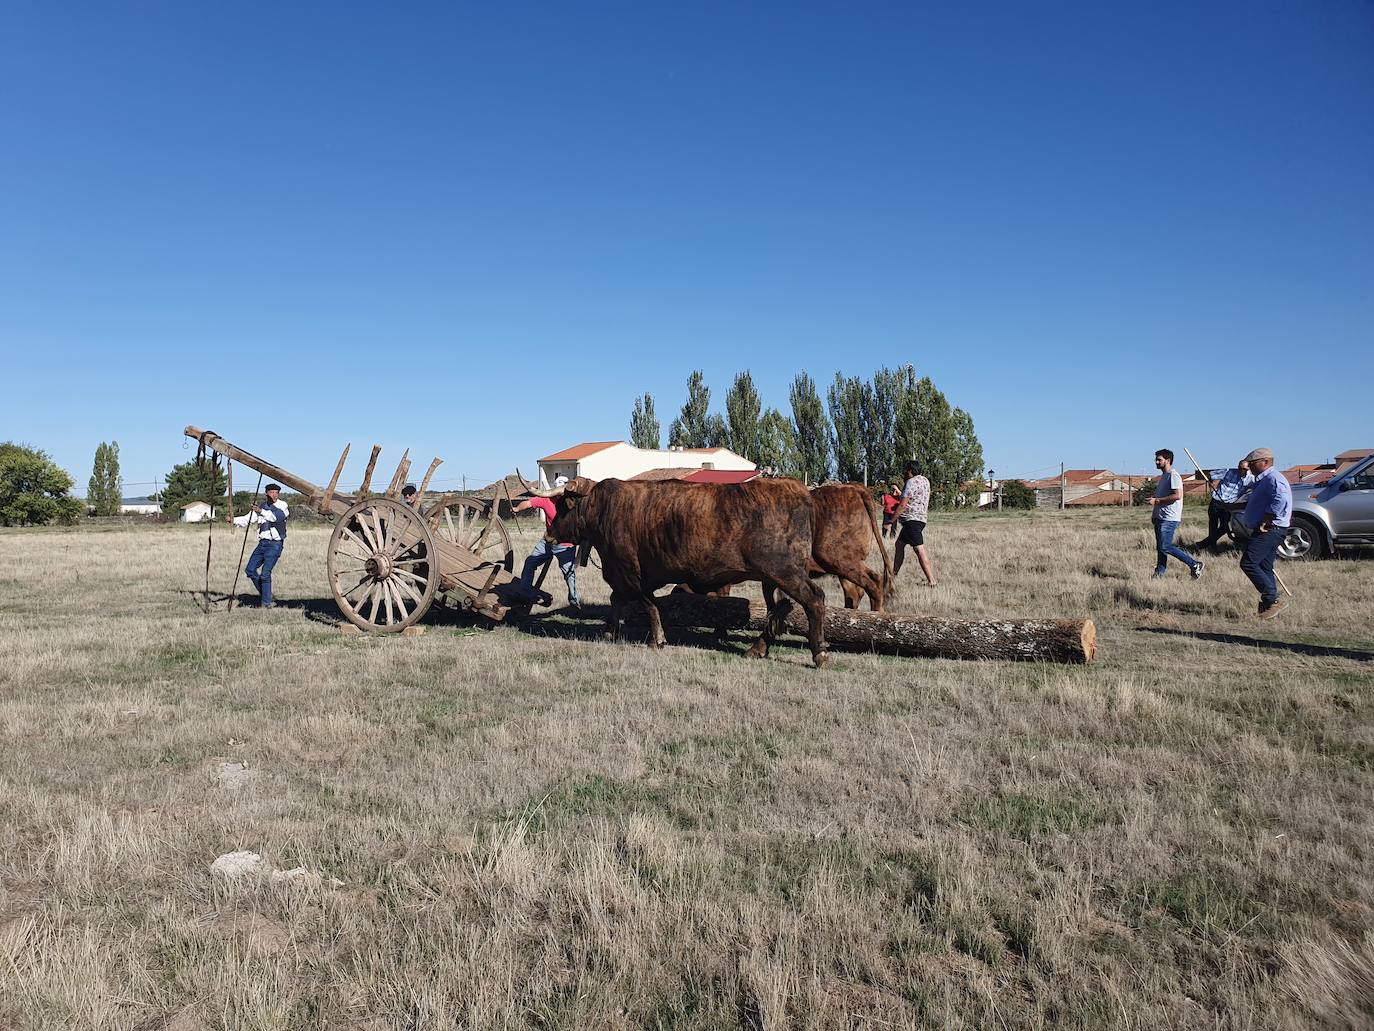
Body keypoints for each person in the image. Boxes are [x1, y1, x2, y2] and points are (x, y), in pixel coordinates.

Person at [1237, 447, 1292, 619]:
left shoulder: (1273, 479)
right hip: (1269, 528)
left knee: (1248, 562)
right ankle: (1270, 607)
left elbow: (1280, 499)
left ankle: (1272, 598)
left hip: (1270, 528)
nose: (1249, 466)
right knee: (1264, 566)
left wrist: (1267, 519)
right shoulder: (1263, 479)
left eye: (1252, 463)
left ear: (1265, 462)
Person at [512, 475, 580, 610]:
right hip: (547, 542)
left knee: (569, 573)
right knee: (530, 562)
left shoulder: (573, 504)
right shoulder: (546, 499)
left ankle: (574, 601)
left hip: (565, 545)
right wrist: (517, 509)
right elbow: (529, 503)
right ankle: (524, 592)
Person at [228, 483, 289, 608]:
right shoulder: (261, 506)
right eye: (271, 492)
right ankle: (266, 594)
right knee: (250, 570)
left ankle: (265, 603)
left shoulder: (282, 506)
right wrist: (233, 520)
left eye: (276, 492)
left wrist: (261, 511)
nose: (274, 495)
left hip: (275, 544)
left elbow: (277, 517)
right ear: (266, 493)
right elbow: (248, 519)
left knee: (265, 573)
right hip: (262, 544)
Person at [1148, 449, 1203, 581]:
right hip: (1160, 517)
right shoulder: (1164, 476)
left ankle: (1194, 564)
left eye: (1159, 459)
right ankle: (1159, 573)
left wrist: (1157, 501)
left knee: (1165, 546)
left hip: (1169, 518)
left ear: (1168, 460)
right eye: (1156, 459)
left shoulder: (1173, 475)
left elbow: (1177, 495)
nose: (1156, 462)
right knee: (1161, 548)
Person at [1191, 459, 1253, 552]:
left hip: (1228, 505)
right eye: (1239, 468)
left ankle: (1202, 544)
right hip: (1216, 501)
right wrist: (1210, 483)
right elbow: (1210, 475)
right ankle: (1212, 547)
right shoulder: (1228, 472)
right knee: (1213, 525)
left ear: (1249, 468)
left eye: (1244, 469)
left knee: (1224, 527)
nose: (1241, 471)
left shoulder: (1251, 480)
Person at [893, 461, 937, 586]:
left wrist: (891, 520)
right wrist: (900, 495)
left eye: (904, 470)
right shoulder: (925, 481)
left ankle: (931, 581)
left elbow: (903, 505)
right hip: (921, 519)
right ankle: (892, 575)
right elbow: (915, 499)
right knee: (899, 545)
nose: (903, 472)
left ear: (909, 470)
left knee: (919, 549)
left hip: (911, 520)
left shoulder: (910, 482)